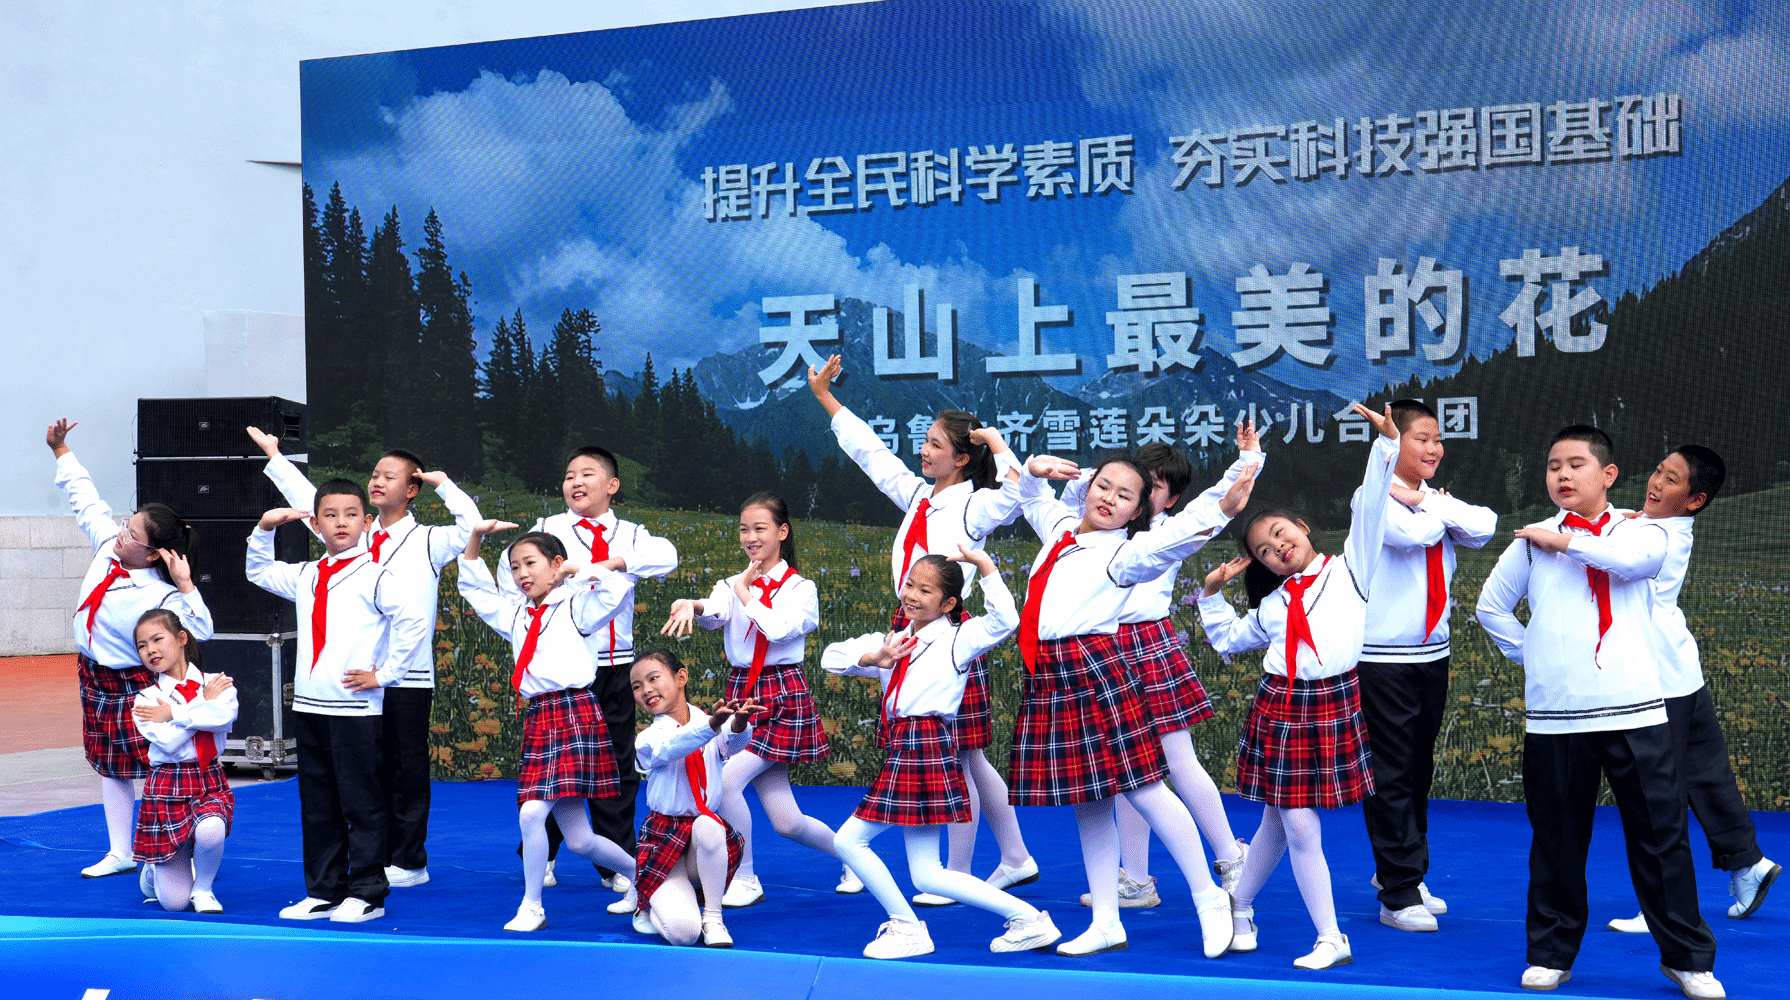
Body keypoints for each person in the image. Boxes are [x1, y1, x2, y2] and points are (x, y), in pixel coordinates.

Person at [1476, 426, 1721, 999]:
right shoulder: (1531, 541)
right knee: (1557, 840)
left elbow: (1631, 565)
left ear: (1607, 474)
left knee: (1661, 837)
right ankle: (1550, 953)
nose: (1562, 475)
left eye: (1576, 464)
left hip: (1637, 712)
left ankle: (1687, 958)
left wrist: (1565, 543)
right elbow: (1491, 607)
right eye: (1553, 465)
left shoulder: (1642, 531)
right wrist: (1534, 653)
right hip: (1557, 717)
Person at [1007, 439, 1260, 958]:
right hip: (1050, 675)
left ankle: (1209, 896)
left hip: (1094, 669)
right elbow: (1030, 495)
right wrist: (1034, 468)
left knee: (1146, 789)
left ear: (1139, 510)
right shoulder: (1060, 527)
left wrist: (1223, 509)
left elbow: (1176, 539)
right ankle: (1106, 921)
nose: (1108, 498)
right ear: (1087, 486)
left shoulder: (1124, 554)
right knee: (1090, 802)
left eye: (1124, 496)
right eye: (1103, 486)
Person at [808, 354, 1039, 900]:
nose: (924, 449)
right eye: (926, 441)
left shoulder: (973, 507)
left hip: (948, 630)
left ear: (961, 458)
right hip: (912, 622)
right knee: (966, 756)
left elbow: (1016, 495)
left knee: (956, 754)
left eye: (936, 444)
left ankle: (957, 871)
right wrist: (826, 398)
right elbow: (872, 454)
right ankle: (1014, 857)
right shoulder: (918, 496)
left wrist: (999, 445)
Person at [1196, 403, 1400, 971]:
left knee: (1286, 824)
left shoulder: (1350, 569)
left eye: (1280, 534)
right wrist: (1210, 593)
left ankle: (1245, 909)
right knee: (1289, 824)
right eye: (1264, 550)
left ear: (1303, 528)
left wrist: (1386, 446)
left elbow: (1373, 508)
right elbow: (1228, 639)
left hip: (1332, 703)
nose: (1276, 547)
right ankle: (1319, 932)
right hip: (1278, 707)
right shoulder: (1273, 604)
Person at [249, 429, 483, 888]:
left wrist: (444, 485)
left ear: (412, 488)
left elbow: (470, 525)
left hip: (404, 675)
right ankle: (367, 862)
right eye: (375, 474)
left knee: (404, 768)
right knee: (363, 773)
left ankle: (408, 860)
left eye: (390, 476)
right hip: (352, 678)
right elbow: (312, 501)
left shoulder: (428, 540)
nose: (377, 481)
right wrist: (275, 456)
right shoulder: (353, 532)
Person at [823, 547, 1063, 958]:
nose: (911, 595)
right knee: (927, 874)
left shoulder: (957, 639)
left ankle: (906, 927)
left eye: (925, 590)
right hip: (908, 745)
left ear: (948, 603)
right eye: (909, 585)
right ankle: (1028, 919)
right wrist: (874, 657)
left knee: (849, 842)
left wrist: (986, 567)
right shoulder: (894, 641)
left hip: (925, 746)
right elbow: (831, 656)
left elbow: (1005, 621)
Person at [1603, 446, 1777, 935]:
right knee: (1706, 774)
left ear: (1695, 500)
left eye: (1672, 479)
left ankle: (1662, 905)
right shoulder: (1660, 526)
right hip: (1681, 671)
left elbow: (1607, 549)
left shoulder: (1655, 535)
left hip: (1656, 678)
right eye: (1658, 470)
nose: (1656, 482)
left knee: (1658, 792)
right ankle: (1748, 864)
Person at [246, 481, 430, 923]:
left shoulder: (377, 576)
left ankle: (367, 893)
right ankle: (324, 891)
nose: (341, 523)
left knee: (361, 803)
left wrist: (385, 675)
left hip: (355, 710)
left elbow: (413, 622)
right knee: (318, 804)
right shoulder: (306, 574)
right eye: (330, 515)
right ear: (315, 523)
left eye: (350, 514)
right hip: (311, 706)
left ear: (366, 522)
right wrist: (264, 529)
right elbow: (259, 571)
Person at [505, 446, 678, 898]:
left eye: (587, 474)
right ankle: (541, 855)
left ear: (612, 485)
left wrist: (612, 563)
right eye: (569, 476)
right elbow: (514, 579)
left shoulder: (631, 534)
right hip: (561, 669)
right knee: (552, 767)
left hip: (615, 666)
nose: (576, 483)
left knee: (616, 766)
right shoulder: (548, 530)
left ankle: (616, 862)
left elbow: (668, 557)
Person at [1351, 400, 1496, 932]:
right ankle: (1398, 891)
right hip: (1382, 659)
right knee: (1390, 773)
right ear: (1395, 444)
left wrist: (1425, 500)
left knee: (1417, 771)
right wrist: (1437, 509)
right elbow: (1413, 535)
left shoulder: (1428, 499)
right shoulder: (1369, 496)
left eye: (1438, 439)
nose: (1434, 448)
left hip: (1433, 655)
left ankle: (1401, 871)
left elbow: (1485, 526)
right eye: (1421, 438)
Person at [661, 492, 847, 904]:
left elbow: (778, 629)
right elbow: (715, 614)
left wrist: (746, 592)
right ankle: (853, 856)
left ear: (782, 532)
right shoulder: (731, 584)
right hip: (742, 692)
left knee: (726, 780)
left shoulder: (801, 588)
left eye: (760, 528)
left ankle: (744, 877)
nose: (750, 537)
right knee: (787, 822)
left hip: (781, 693)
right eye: (744, 529)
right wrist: (691, 604)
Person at [46, 417, 212, 880]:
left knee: (167, 764)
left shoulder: (160, 594)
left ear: (154, 553)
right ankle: (120, 851)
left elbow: (203, 629)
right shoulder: (108, 547)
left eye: (132, 534)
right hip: (94, 675)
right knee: (110, 766)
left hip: (136, 682)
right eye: (125, 524)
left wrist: (186, 585)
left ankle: (187, 846)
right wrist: (61, 450)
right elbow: (86, 500)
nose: (121, 533)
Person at [457, 522, 641, 931]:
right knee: (579, 840)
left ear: (556, 564)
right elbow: (475, 589)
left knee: (531, 812)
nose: (521, 574)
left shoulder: (576, 605)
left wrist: (579, 569)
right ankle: (644, 875)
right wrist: (475, 539)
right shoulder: (517, 614)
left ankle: (532, 907)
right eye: (514, 567)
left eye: (530, 563)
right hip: (541, 716)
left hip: (574, 713)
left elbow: (616, 591)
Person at [627, 649, 760, 947]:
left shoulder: (708, 723)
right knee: (684, 935)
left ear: (681, 677)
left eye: (653, 679)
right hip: (664, 838)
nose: (646, 690)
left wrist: (739, 723)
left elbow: (733, 743)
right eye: (637, 686)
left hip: (702, 838)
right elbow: (671, 748)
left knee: (710, 824)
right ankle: (645, 901)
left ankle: (713, 918)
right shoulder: (648, 738)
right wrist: (712, 726)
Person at [129, 608, 236, 914]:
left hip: (207, 776)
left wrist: (174, 713)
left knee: (212, 827)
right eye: (142, 645)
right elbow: (168, 741)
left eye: (157, 639)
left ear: (181, 638)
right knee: (174, 904)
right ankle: (153, 871)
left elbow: (223, 717)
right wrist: (204, 705)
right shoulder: (146, 698)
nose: (150, 650)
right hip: (168, 782)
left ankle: (203, 889)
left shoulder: (216, 683)